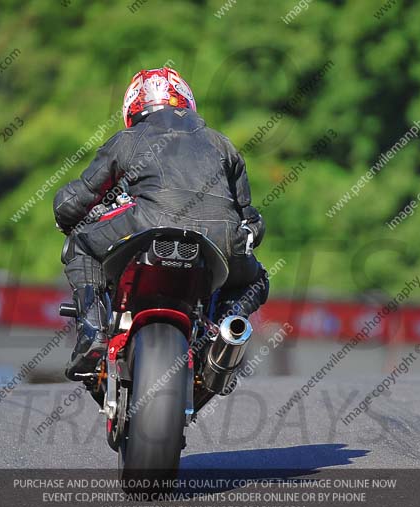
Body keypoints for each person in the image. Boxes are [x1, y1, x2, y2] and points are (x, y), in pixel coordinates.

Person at [53, 67, 269, 381]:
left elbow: (75, 202)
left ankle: (93, 330)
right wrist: (244, 235)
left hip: (146, 224)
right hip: (222, 240)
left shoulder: (127, 139)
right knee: (256, 278)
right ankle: (224, 332)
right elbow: (252, 221)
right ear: (186, 102)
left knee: (79, 245)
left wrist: (69, 215)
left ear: (133, 107)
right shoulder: (223, 144)